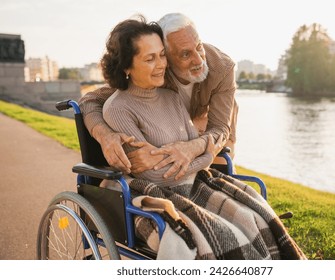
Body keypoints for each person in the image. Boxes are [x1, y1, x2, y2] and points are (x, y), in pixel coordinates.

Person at [98, 16, 306, 260]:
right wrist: (198, 157)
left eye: (161, 55)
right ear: (127, 67)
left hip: (195, 177)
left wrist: (192, 154)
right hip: (160, 189)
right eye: (150, 58)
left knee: (254, 216)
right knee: (224, 234)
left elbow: (211, 141)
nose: (160, 64)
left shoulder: (173, 95)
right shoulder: (118, 108)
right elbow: (155, 175)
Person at [79, 13, 238, 180]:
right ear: (166, 54)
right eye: (185, 54)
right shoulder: (154, 71)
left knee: (222, 171)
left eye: (199, 47)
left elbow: (220, 128)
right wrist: (105, 136)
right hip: (170, 132)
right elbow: (90, 101)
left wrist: (193, 148)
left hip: (206, 126)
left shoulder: (223, 68)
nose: (198, 60)